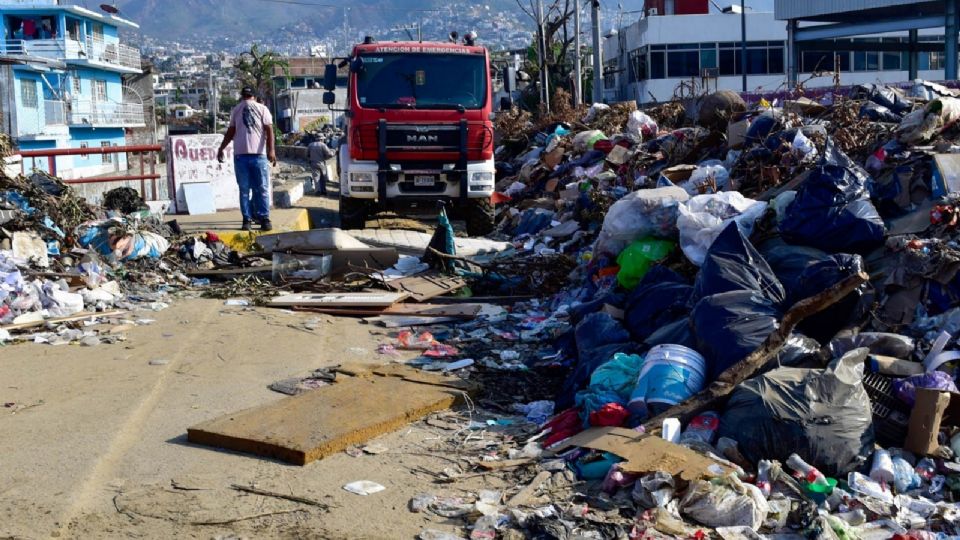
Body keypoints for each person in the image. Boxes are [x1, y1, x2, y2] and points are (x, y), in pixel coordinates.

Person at [217, 86, 276, 231]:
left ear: (242, 96)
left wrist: (221, 148)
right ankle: (264, 218)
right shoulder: (262, 109)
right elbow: (269, 130)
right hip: (258, 154)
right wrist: (272, 150)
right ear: (254, 96)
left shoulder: (236, 109)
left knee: (244, 189)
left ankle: (247, 219)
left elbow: (231, 132)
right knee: (261, 188)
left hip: (241, 155)